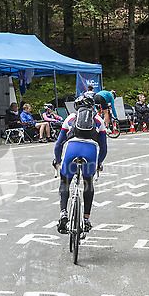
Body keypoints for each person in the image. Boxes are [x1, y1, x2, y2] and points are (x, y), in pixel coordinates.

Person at [53, 95, 108, 235]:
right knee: (88, 183)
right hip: (90, 151)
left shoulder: (71, 118)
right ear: (91, 107)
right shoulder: (98, 119)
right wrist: (99, 163)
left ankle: (63, 212)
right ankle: (86, 218)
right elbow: (104, 147)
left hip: (72, 149)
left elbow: (59, 144)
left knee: (64, 181)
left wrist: (57, 159)